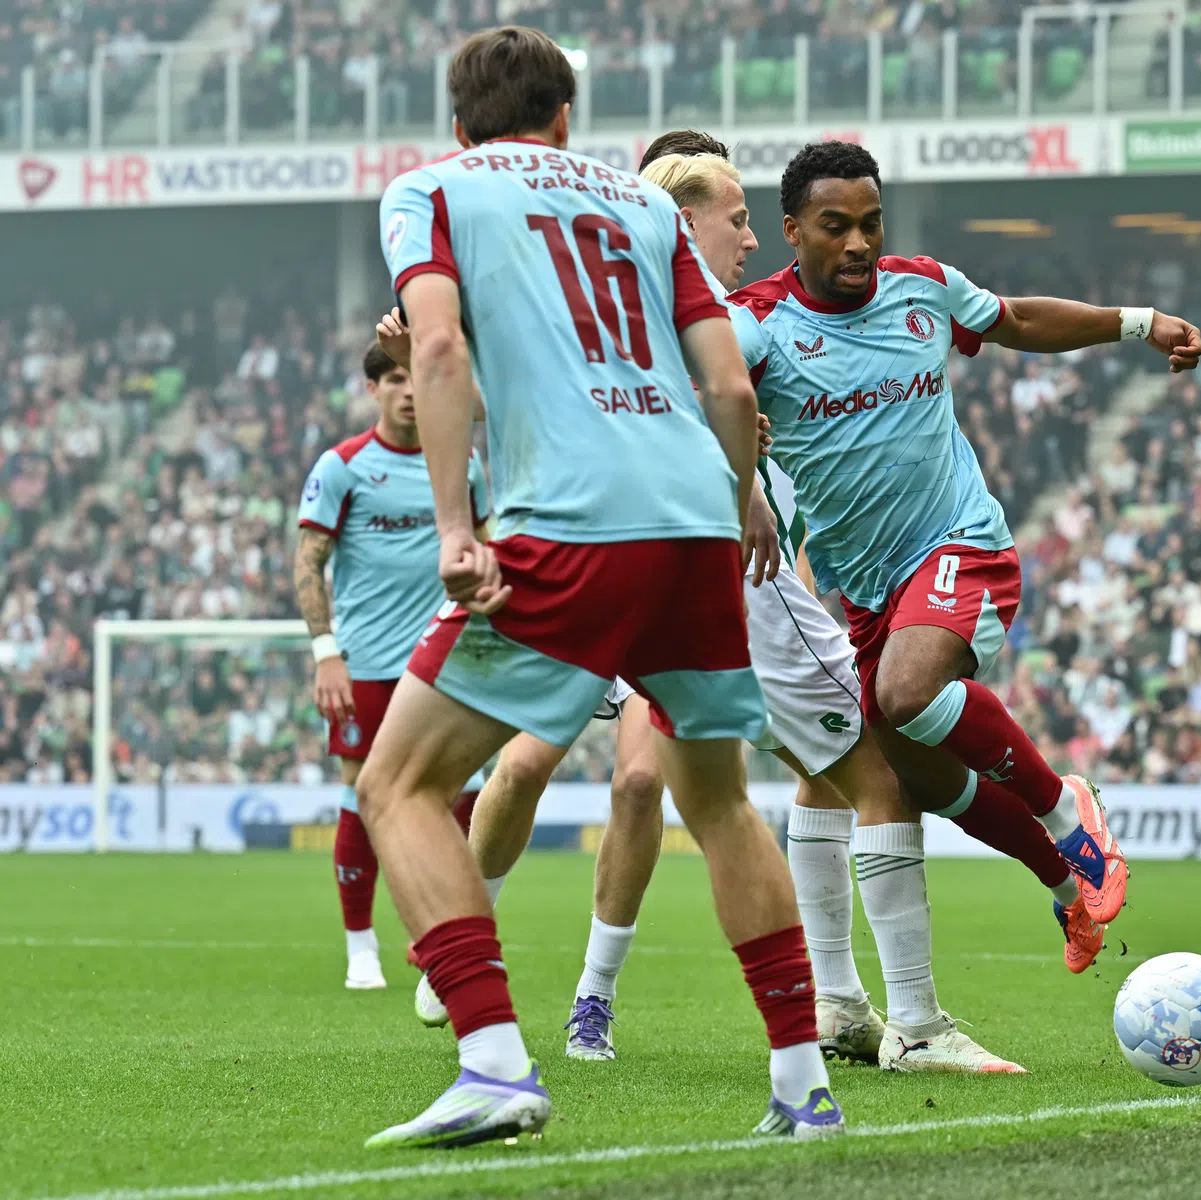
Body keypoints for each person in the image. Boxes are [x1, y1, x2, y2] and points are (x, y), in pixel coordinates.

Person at [396, 137, 1023, 1073]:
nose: (749, 238)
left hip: (590, 553)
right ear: (683, 222)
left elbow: (560, 389)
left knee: (607, 776)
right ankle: (905, 1026)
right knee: (863, 776)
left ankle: (606, 997)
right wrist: (748, 485)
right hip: (703, 565)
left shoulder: (633, 300)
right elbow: (721, 393)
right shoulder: (697, 308)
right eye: (735, 217)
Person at [361, 27, 841, 1147]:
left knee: (397, 786)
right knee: (716, 800)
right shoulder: (648, 209)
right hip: (690, 517)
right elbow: (726, 379)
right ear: (567, 119)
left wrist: (452, 526)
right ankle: (801, 1084)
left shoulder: (429, 189)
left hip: (571, 521)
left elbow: (435, 355)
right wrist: (737, 504)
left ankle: (489, 1058)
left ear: (459, 123)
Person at [727, 141, 1201, 953]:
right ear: (791, 231)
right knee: (919, 770)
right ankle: (1065, 889)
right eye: (835, 226)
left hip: (961, 542)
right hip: (868, 589)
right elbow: (701, 386)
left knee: (907, 695)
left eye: (871, 224)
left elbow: (1015, 319)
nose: (858, 245)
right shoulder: (758, 325)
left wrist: (1139, 323)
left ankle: (1068, 810)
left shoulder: (922, 286)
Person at [293, 341, 490, 991]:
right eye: (395, 379)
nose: (409, 391)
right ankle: (359, 946)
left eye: (416, 377)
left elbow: (489, 550)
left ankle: (433, 936)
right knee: (361, 794)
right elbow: (309, 561)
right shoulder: (344, 466)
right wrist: (327, 654)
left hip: (446, 662)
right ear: (373, 389)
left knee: (458, 794)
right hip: (370, 666)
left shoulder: (462, 462)